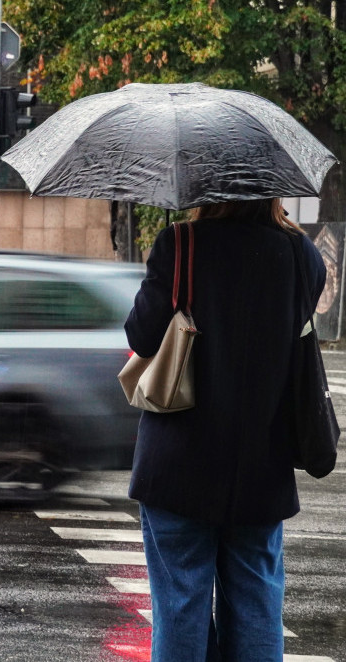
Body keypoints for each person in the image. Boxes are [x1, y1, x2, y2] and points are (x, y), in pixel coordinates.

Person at [124, 199, 325, 661]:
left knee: (180, 608)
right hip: (261, 467)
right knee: (257, 607)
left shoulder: (182, 243)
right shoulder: (301, 255)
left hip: (179, 465)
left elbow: (140, 335)